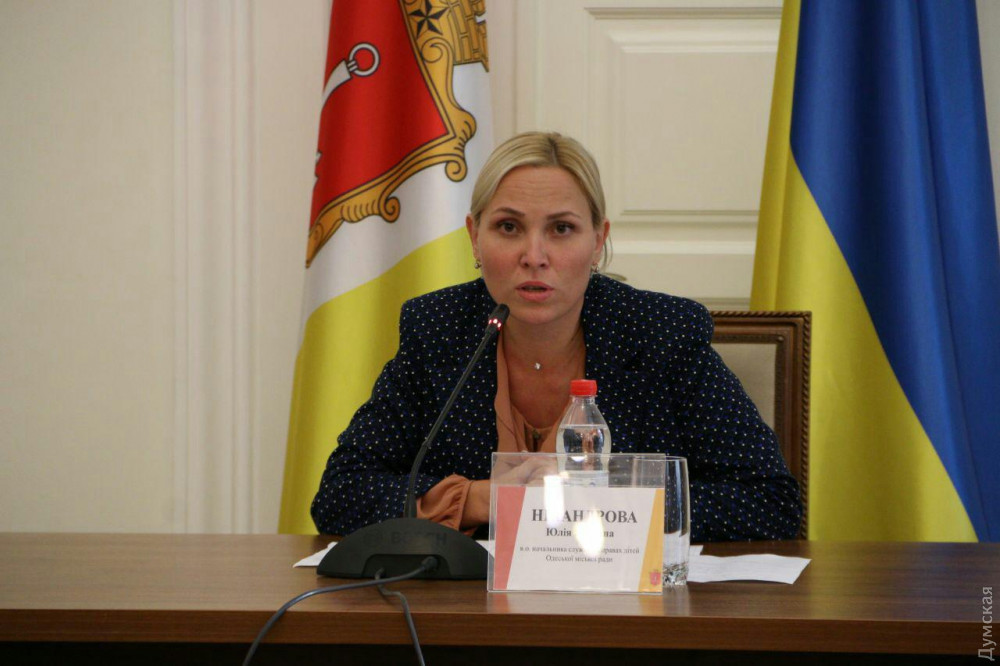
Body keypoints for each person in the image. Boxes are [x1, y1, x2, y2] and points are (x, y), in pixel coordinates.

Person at [311, 131, 802, 542]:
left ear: (598, 241)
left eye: (562, 229)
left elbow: (770, 502)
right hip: (472, 609)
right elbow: (340, 494)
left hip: (630, 607)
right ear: (474, 238)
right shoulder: (439, 329)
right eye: (508, 227)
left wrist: (602, 503)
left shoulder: (661, 332)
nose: (534, 255)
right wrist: (480, 499)